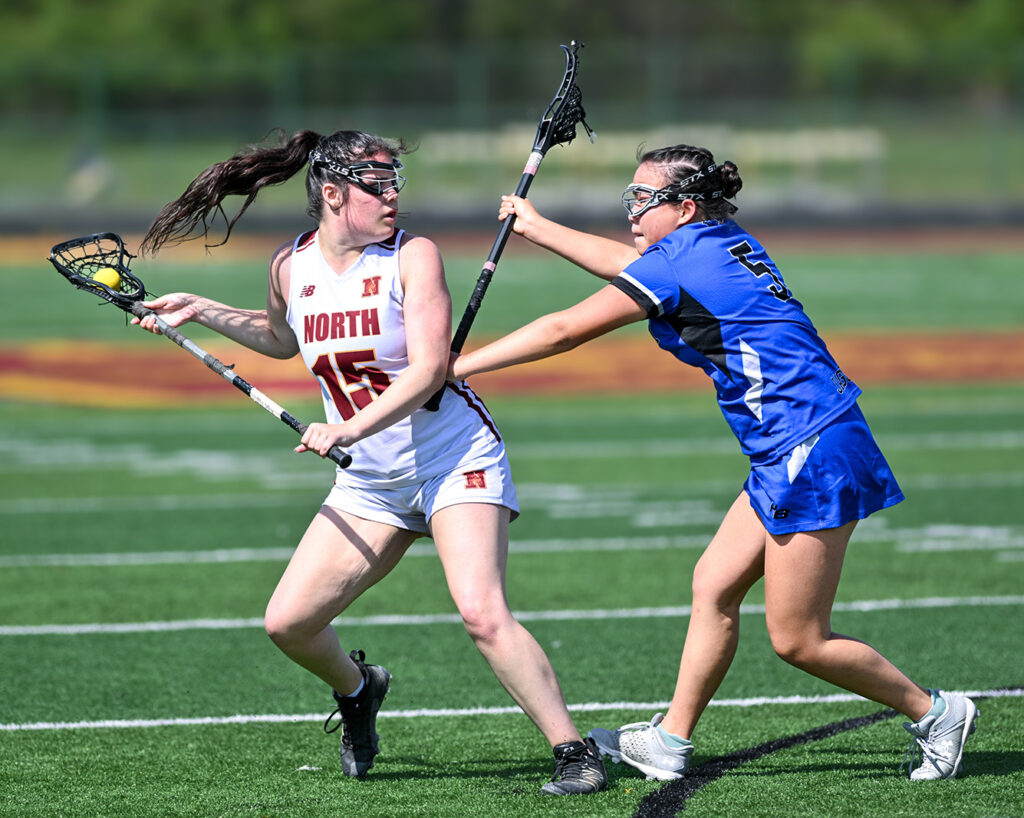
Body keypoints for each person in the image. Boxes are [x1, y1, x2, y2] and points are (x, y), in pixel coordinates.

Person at [449, 143, 978, 783]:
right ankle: (670, 740)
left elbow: (566, 329)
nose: (632, 211)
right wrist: (540, 228)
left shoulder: (681, 261)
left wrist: (456, 366)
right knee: (715, 585)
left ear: (686, 205)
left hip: (807, 447)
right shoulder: (717, 242)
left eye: (643, 199)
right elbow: (630, 264)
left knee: (799, 639)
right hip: (799, 441)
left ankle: (935, 711)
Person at [132, 128, 606, 795]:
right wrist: (201, 309)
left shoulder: (413, 257)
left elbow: (430, 369)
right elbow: (277, 338)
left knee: (481, 611)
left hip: (451, 459)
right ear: (332, 193)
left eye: (395, 185)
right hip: (372, 481)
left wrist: (345, 427)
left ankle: (574, 751)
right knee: (288, 623)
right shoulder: (289, 268)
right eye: (377, 187)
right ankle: (359, 690)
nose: (392, 199)